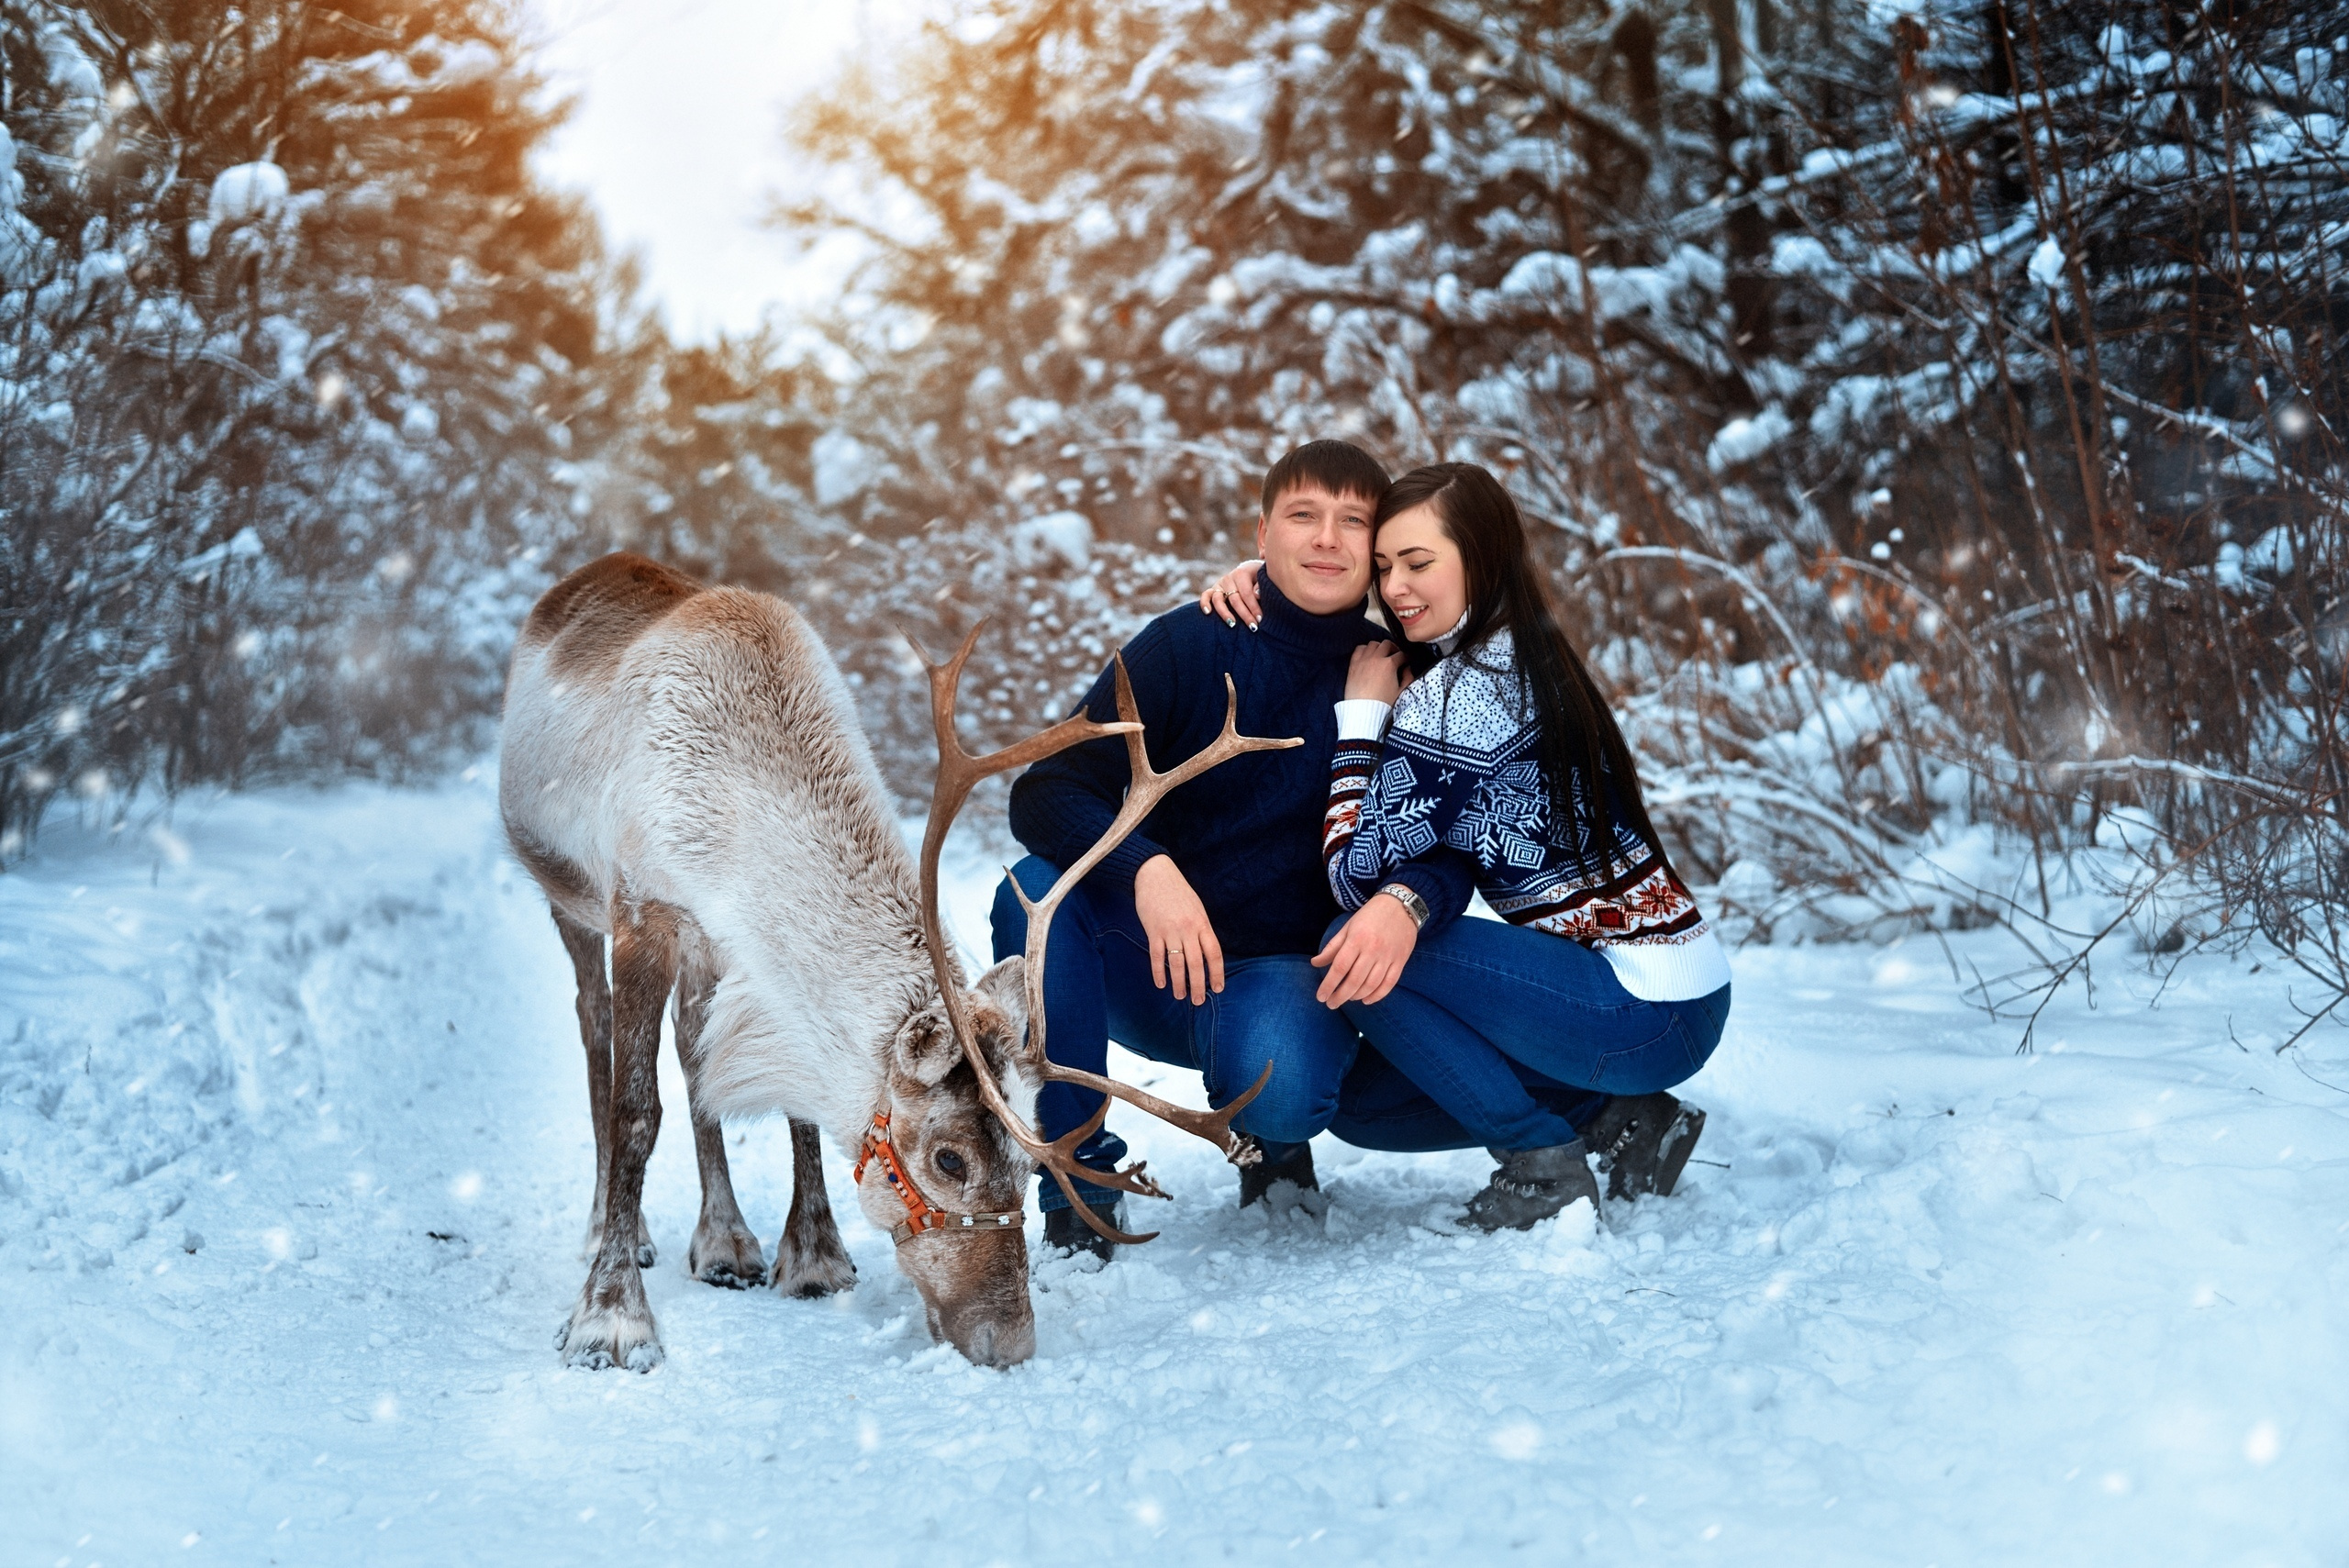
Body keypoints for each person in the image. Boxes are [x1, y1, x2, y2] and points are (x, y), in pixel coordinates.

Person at [1200, 462, 1731, 1230]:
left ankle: (1540, 1164)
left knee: (1353, 947)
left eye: (1419, 563)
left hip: (1640, 1007)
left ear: (1479, 557)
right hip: (1676, 995)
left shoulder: (1462, 698)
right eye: (1383, 566)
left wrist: (1360, 721)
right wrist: (1270, 581)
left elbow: (1355, 877)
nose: (1397, 588)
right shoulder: (1514, 651)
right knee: (1367, 1111)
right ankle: (1625, 1119)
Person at [992, 441, 1477, 1259]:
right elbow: (1045, 790)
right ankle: (1079, 1178)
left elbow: (1458, 841)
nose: (1327, 539)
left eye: (1352, 521)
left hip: (1282, 980)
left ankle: (1275, 1142)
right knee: (1031, 890)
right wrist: (1144, 868)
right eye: (1303, 516)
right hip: (1150, 960)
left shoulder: (1409, 674)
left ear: (1380, 546)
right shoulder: (1190, 643)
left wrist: (1408, 898)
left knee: (1283, 1085)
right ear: (1262, 533)